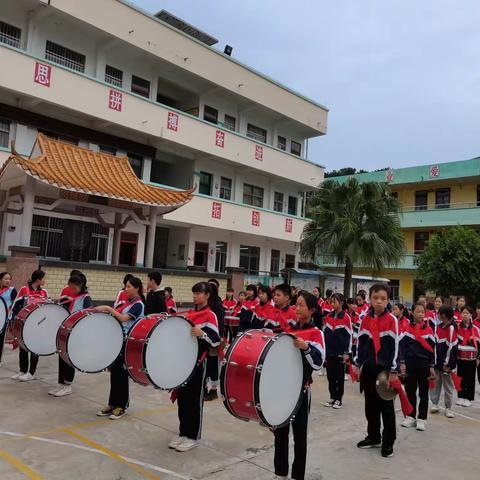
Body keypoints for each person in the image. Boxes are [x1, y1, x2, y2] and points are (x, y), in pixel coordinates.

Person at [274, 291, 325, 480]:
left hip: (301, 390)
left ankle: (297, 475)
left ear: (312, 310)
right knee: (280, 433)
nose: (297, 307)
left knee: (299, 436)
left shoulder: (316, 333)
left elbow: (318, 363)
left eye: (302, 305)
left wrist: (307, 348)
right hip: (284, 389)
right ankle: (280, 473)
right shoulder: (289, 331)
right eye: (297, 304)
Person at [169, 282, 220, 452]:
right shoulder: (190, 313)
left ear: (207, 296)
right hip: (184, 362)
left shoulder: (210, 315)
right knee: (182, 399)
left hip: (199, 362)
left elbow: (216, 340)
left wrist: (202, 334)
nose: (195, 296)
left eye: (199, 293)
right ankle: (183, 433)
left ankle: (193, 436)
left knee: (194, 400)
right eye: (194, 293)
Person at [354, 283, 398, 458]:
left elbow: (396, 346)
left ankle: (388, 442)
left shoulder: (392, 320)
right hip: (369, 368)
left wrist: (394, 370)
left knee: (386, 408)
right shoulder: (364, 318)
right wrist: (357, 365)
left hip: (385, 370)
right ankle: (373, 437)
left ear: (388, 300)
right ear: (370, 299)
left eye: (383, 299)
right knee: (370, 406)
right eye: (375, 298)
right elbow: (361, 343)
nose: (379, 302)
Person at [96, 277, 144, 419]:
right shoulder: (127, 303)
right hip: (117, 341)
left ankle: (122, 406)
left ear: (137, 288)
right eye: (125, 286)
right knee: (115, 373)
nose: (126, 289)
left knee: (122, 375)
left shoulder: (138, 304)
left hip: (127, 343)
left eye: (128, 286)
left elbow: (123, 319)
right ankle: (112, 403)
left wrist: (107, 308)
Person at [49, 275, 93, 397]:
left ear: (80, 286)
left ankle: (68, 385)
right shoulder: (71, 296)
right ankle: (61, 383)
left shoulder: (85, 297)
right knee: (61, 355)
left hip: (75, 332)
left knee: (68, 357)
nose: (72, 290)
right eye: (70, 287)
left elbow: (89, 314)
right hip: (65, 330)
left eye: (74, 288)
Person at [398, 302, 435, 431]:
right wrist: (402, 362)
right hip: (410, 363)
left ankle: (422, 418)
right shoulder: (406, 329)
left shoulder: (429, 330)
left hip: (424, 364)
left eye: (422, 312)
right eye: (418, 311)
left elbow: (432, 350)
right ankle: (410, 416)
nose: (420, 314)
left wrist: (431, 366)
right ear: (412, 313)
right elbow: (401, 347)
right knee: (410, 391)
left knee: (424, 392)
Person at [10, 270, 48, 382]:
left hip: (38, 325)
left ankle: (31, 372)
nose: (45, 280)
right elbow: (16, 305)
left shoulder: (44, 292)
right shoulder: (24, 289)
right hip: (24, 323)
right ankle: (22, 370)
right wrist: (15, 319)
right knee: (23, 347)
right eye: (44, 278)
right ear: (38, 279)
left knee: (35, 347)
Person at [323, 293, 352, 409]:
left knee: (339, 376)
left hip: (340, 352)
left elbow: (349, 336)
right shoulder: (328, 316)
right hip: (330, 352)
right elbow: (324, 334)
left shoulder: (346, 317)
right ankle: (332, 397)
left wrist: (346, 352)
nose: (332, 304)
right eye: (331, 301)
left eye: (335, 301)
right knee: (330, 375)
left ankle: (338, 399)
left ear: (341, 303)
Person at [430, 305, 458, 418]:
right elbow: (434, 345)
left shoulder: (451, 328)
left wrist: (448, 364)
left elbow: (451, 347)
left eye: (439, 313)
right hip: (437, 362)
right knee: (435, 383)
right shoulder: (437, 327)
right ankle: (435, 403)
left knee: (448, 386)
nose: (437, 315)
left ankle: (448, 407)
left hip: (447, 364)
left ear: (443, 315)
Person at [204, 279, 225, 402]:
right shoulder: (206, 303)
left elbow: (220, 323)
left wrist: (218, 339)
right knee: (206, 363)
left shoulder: (217, 304)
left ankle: (213, 390)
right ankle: (205, 387)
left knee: (213, 364)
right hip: (204, 338)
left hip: (214, 339)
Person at [456, 306, 480, 407]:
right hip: (459, 357)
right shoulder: (457, 327)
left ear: (470, 315)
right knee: (460, 377)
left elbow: (479, 344)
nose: (464, 314)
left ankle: (469, 398)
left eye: (467, 313)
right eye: (463, 313)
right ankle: (461, 396)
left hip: (471, 358)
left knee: (470, 378)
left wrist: (478, 358)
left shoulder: (475, 329)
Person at [0, 272, 17, 366]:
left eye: (9, 279)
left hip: (5, 317)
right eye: (5, 279)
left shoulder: (12, 290)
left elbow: (15, 304)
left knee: (1, 339)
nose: (8, 281)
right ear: (0, 279)